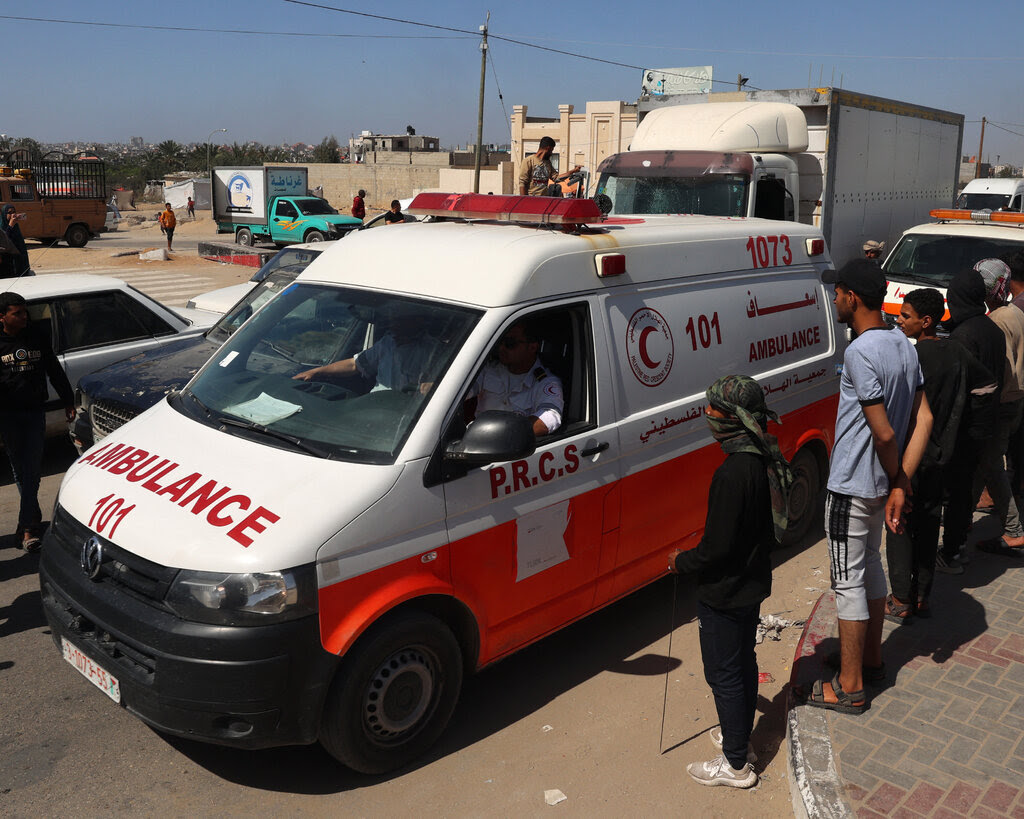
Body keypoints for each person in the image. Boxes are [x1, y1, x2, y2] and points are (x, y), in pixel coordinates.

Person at [805, 259, 931, 713]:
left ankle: (850, 684)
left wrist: (897, 477)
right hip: (880, 487)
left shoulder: (860, 352)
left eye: (837, 293)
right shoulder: (903, 342)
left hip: (853, 485)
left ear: (852, 297)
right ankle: (872, 660)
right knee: (871, 570)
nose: (834, 300)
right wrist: (899, 482)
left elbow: (884, 432)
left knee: (848, 582)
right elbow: (925, 419)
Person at [667, 375, 793, 789]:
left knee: (724, 674)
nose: (707, 415)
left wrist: (680, 562)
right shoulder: (761, 456)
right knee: (742, 664)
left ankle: (736, 764)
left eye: (713, 410)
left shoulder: (732, 474)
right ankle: (739, 737)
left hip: (724, 591)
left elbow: (715, 549)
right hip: (751, 584)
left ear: (732, 419)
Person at [887, 288, 996, 621]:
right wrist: (961, 426)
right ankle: (922, 597)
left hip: (910, 457)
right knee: (929, 523)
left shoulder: (912, 357)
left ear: (926, 321)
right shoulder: (957, 351)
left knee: (900, 524)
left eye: (905, 316)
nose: (899, 320)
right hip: (942, 457)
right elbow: (988, 386)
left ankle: (901, 600)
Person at [938, 267, 1009, 572]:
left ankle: (953, 554)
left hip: (966, 427)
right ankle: (959, 545)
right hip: (987, 423)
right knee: (964, 490)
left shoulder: (964, 335)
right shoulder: (990, 327)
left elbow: (957, 390)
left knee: (955, 493)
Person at [0, 292, 74, 551]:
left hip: (34, 413)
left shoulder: (35, 337)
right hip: (8, 417)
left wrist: (68, 400)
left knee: (31, 471)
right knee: (22, 471)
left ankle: (28, 527)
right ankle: (30, 522)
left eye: (24, 312)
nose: (24, 317)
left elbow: (53, 369)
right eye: (16, 313)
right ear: (2, 317)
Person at [972, 259, 1024, 551]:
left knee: (992, 464)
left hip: (1002, 403)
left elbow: (998, 370)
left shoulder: (997, 321)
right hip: (1014, 401)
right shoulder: (1014, 312)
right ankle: (961, 517)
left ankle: (1014, 529)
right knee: (984, 462)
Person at [292, 305, 438, 392]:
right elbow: (355, 364)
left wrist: (433, 387)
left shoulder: (433, 350)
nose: (393, 325)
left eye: (399, 321)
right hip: (376, 404)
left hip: (409, 414)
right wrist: (316, 371)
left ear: (415, 322)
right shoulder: (388, 342)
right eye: (393, 319)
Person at [466, 320, 564, 437]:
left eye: (510, 343)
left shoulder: (545, 382)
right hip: (476, 439)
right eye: (500, 342)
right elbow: (461, 392)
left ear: (532, 347)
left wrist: (504, 433)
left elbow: (550, 417)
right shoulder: (488, 370)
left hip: (511, 447)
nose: (501, 348)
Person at [1, 205, 30, 277]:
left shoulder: (15, 227)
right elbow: (4, 240)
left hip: (18, 263)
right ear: (4, 214)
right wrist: (10, 226)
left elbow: (21, 246)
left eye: (14, 212)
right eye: (10, 213)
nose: (13, 215)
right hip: (6, 264)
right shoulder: (2, 227)